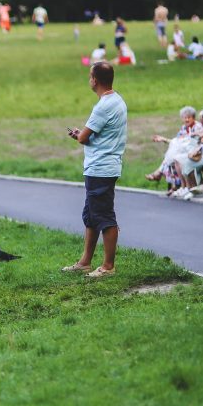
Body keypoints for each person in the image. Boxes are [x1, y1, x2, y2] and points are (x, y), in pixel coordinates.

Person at [65, 61, 127, 278]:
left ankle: (108, 266)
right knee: (91, 215)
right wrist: (83, 135)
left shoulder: (103, 106)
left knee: (104, 216)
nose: (89, 79)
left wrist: (78, 135)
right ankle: (85, 262)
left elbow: (84, 137)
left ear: (95, 80)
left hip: (101, 167)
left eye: (90, 76)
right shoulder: (117, 99)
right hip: (103, 165)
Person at [145, 106, 201, 195]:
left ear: (193, 117)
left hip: (193, 152)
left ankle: (167, 180)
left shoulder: (197, 127)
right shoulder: (184, 128)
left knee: (172, 157)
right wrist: (163, 139)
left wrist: (165, 140)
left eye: (189, 117)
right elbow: (177, 141)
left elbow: (193, 142)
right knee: (172, 157)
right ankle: (175, 185)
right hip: (183, 150)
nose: (186, 120)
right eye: (184, 118)